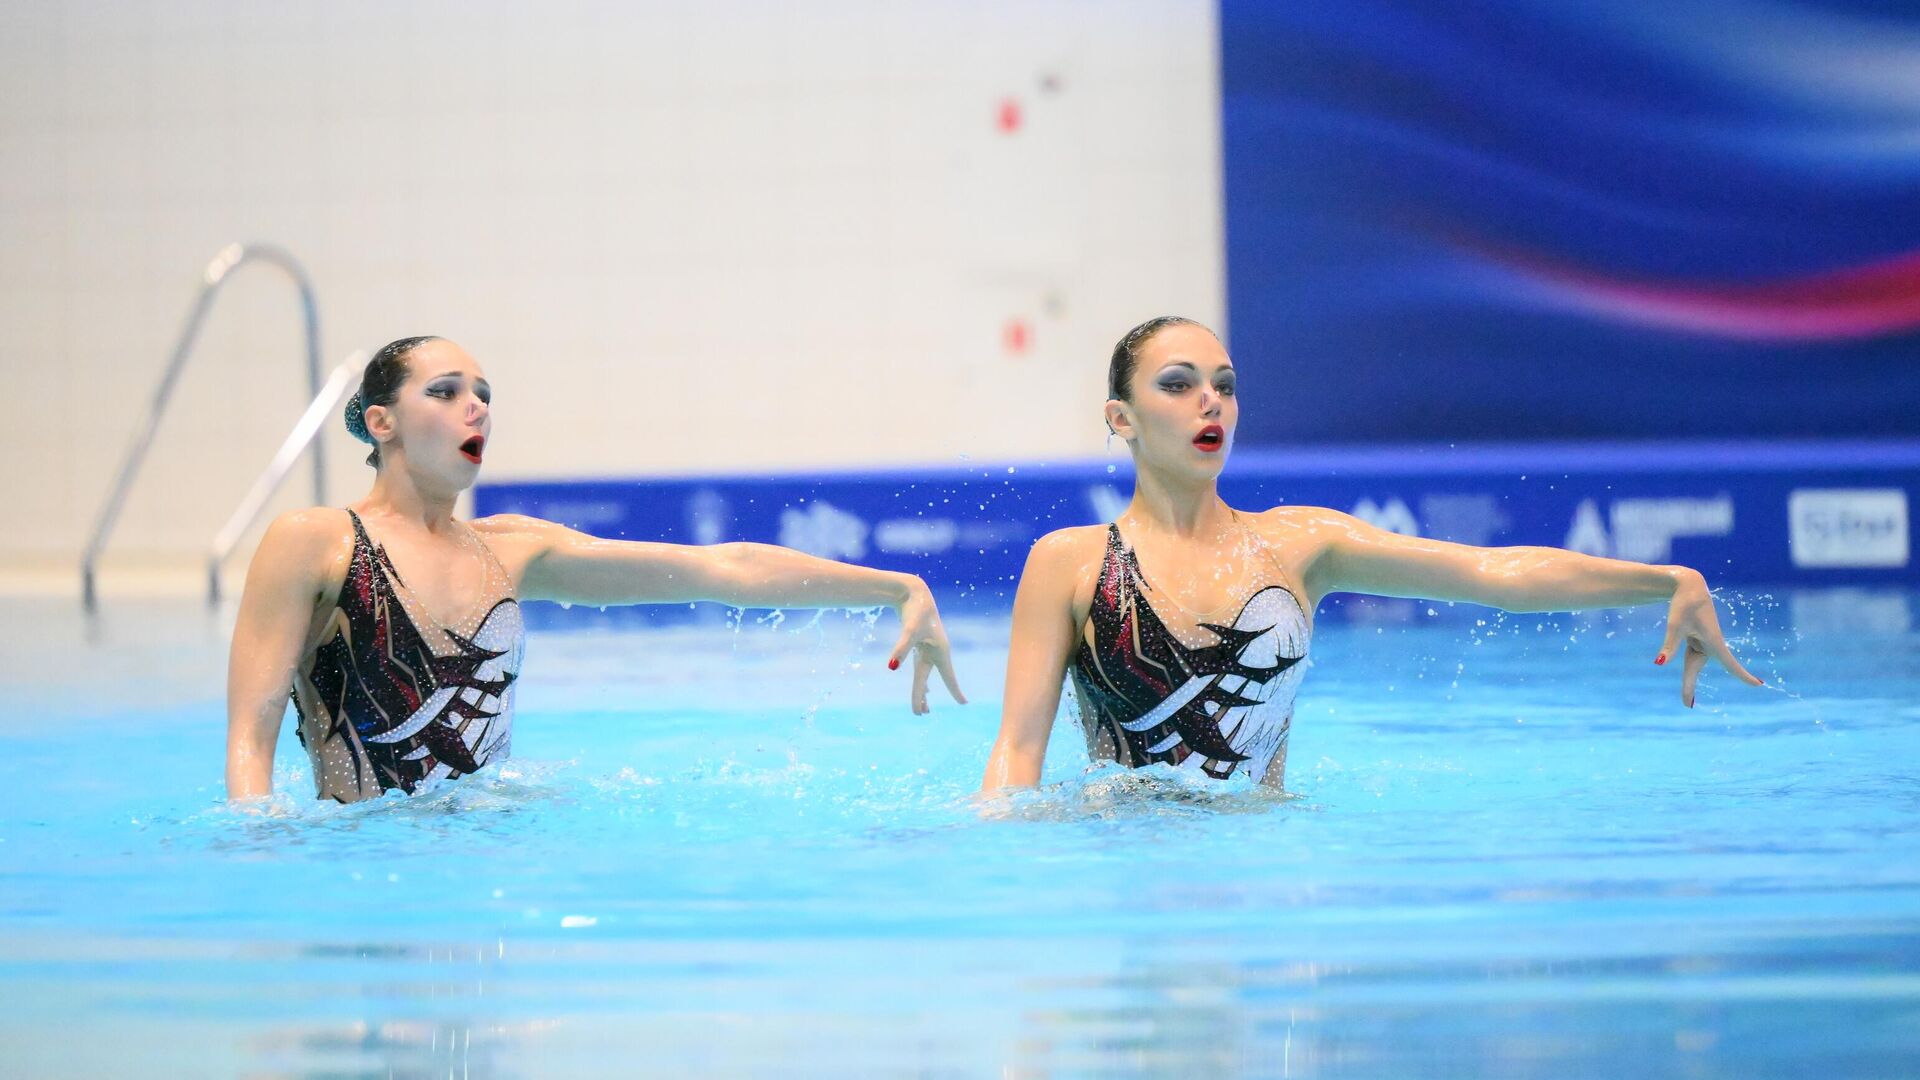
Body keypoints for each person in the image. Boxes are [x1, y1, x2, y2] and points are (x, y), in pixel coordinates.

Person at [980, 316, 1762, 792]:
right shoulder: (1071, 563)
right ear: (1121, 418)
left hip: (1261, 864)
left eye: (1225, 384)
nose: (1210, 400)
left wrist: (1666, 581)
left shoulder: (1300, 545)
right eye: (1178, 385)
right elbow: (1016, 753)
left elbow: (1493, 574)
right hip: (1128, 868)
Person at [227, 336, 965, 804]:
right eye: (445, 392)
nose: (475, 408)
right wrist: (256, 856)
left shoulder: (508, 551)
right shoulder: (316, 542)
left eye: (483, 396)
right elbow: (249, 742)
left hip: (490, 849)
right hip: (362, 858)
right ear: (381, 421)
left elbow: (721, 569)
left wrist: (899, 587)